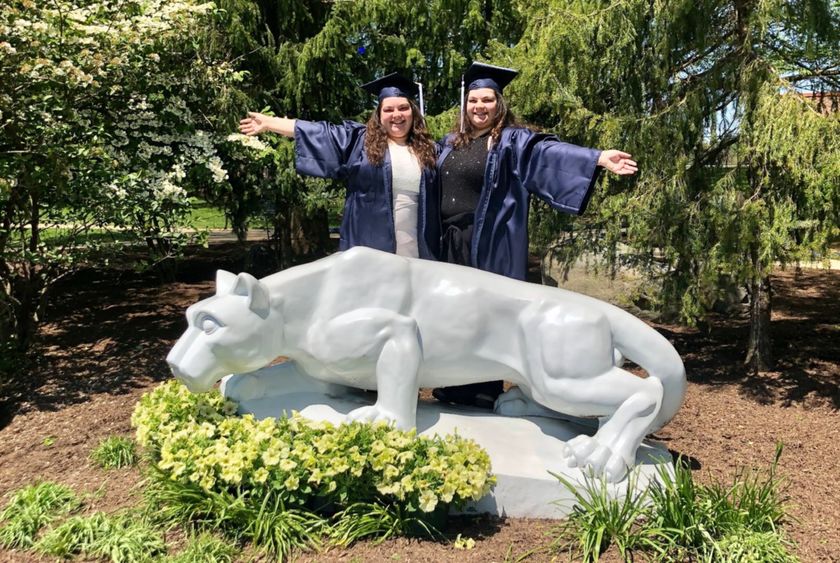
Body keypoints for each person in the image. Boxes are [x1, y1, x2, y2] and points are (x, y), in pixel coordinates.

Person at [432, 62, 638, 409]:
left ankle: (482, 388)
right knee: (452, 314)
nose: (479, 107)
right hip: (449, 242)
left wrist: (598, 158)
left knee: (486, 315)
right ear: (464, 106)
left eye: (486, 100)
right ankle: (451, 384)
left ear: (499, 104)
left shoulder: (512, 141)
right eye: (472, 101)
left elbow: (547, 153)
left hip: (488, 240)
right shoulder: (450, 142)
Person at [239, 73, 440, 259]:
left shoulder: (428, 150)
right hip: (370, 247)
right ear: (379, 115)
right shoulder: (359, 142)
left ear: (413, 112)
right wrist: (269, 123)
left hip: (417, 246)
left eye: (403, 108)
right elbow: (319, 132)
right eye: (388, 109)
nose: (397, 114)